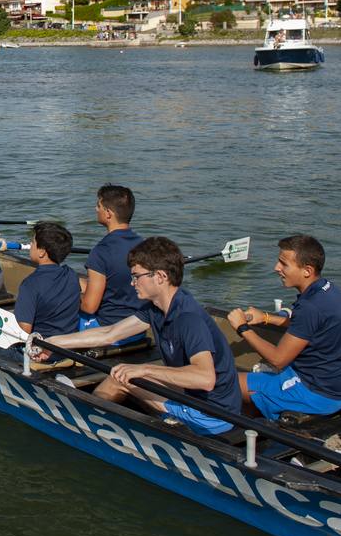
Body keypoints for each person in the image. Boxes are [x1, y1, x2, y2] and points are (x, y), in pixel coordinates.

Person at [44, 237, 242, 436]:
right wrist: (52, 342)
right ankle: (94, 414)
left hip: (211, 416)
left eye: (137, 276)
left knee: (120, 378)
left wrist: (144, 369)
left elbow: (205, 378)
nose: (132, 283)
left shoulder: (188, 318)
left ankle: (85, 424)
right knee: (124, 373)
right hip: (195, 397)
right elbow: (110, 333)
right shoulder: (156, 309)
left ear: (160, 276)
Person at [225, 234, 341, 420]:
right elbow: (305, 326)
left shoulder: (310, 307)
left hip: (317, 395)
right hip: (340, 391)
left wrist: (242, 328)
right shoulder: (327, 289)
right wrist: (265, 317)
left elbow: (278, 360)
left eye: (284, 264)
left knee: (225, 383)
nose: (276, 268)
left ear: (307, 271)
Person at [80, 184, 145, 329]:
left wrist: (70, 296)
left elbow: (89, 307)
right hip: (138, 325)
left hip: (108, 328)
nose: (96, 209)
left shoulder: (101, 252)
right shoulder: (144, 245)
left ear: (108, 213)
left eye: (99, 206)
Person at [13, 222, 80, 339]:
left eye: (33, 242)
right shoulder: (71, 275)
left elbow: (24, 331)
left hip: (43, 347)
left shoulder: (30, 284)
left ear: (42, 252)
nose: (30, 245)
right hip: (69, 343)